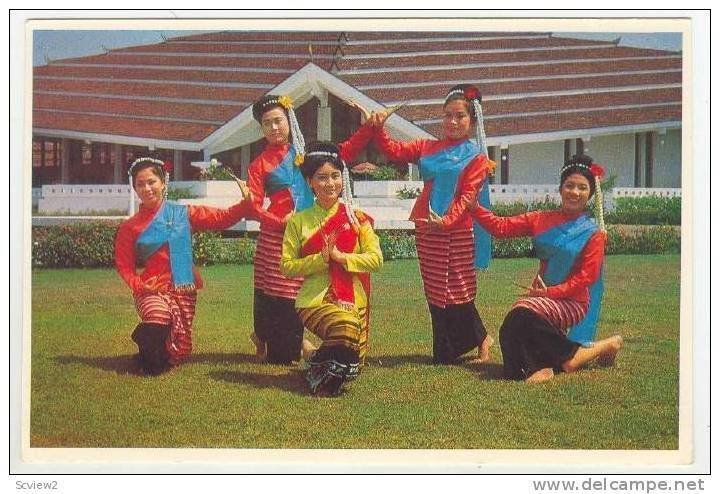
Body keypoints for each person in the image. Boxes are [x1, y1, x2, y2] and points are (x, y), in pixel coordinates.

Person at [366, 84, 495, 364]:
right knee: (436, 287)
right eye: (448, 115)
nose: (452, 121)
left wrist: (447, 221)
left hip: (457, 228)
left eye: (459, 116)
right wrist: (378, 128)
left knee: (459, 287)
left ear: (472, 121)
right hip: (427, 226)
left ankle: (481, 340)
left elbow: (468, 196)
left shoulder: (477, 158)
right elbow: (394, 150)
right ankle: (449, 348)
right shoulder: (428, 146)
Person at [469, 154, 623, 383]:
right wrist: (473, 207)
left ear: (590, 194)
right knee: (513, 327)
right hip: (541, 297)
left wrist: (549, 293)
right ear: (561, 189)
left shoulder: (593, 233)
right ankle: (573, 358)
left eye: (582, 187)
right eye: (569, 185)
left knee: (521, 314)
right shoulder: (541, 219)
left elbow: (586, 277)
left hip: (572, 301)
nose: (575, 192)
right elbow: (501, 227)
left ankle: (544, 367)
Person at [247, 94, 376, 364]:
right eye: (267, 123)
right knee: (274, 295)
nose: (274, 128)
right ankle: (272, 339)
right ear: (261, 128)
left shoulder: (305, 152)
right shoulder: (259, 164)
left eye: (278, 121)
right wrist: (277, 221)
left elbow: (344, 152)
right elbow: (254, 206)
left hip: (308, 230)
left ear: (289, 120)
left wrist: (368, 127)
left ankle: (295, 343)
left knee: (299, 292)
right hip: (275, 236)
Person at [115, 157, 252, 375]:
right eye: (140, 184)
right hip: (152, 289)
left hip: (183, 289)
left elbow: (221, 218)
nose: (147, 188)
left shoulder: (183, 214)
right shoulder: (129, 226)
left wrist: (246, 203)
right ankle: (148, 353)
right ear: (134, 188)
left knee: (177, 352)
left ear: (163, 183)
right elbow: (124, 265)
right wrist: (139, 285)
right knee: (158, 320)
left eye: (151, 182)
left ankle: (150, 353)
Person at [280, 141, 383, 396]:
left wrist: (341, 257)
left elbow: (376, 259)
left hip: (352, 299)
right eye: (322, 178)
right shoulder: (298, 222)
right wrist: (321, 259)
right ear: (310, 182)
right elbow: (287, 267)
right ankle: (320, 370)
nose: (330, 184)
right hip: (313, 301)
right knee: (345, 330)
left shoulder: (356, 219)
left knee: (351, 367)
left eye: (335, 176)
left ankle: (315, 360)